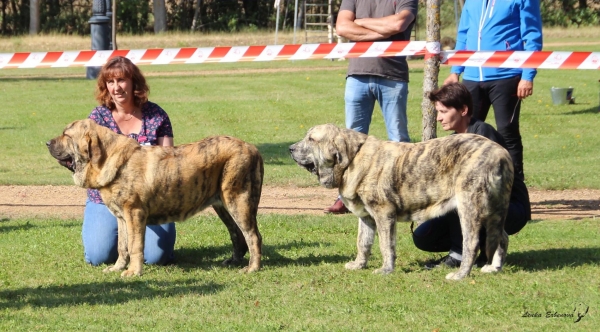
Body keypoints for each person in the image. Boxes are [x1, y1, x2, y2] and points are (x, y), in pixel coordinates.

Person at [413, 82, 531, 268]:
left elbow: (484, 185)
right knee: (423, 237)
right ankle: (482, 249)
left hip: (510, 208)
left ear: (463, 110)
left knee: (458, 196)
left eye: (443, 112)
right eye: (438, 112)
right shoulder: (452, 140)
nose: (438, 118)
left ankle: (460, 254)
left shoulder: (483, 133)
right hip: (475, 205)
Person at [325, 0, 419, 214]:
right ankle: (346, 196)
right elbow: (342, 27)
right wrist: (382, 32)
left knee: (399, 141)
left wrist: (361, 22)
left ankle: (403, 196)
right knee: (350, 143)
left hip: (393, 77)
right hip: (356, 76)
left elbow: (397, 25)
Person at [82, 56, 176, 266]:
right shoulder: (98, 118)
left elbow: (169, 163)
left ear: (134, 82)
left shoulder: (156, 115)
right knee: (98, 257)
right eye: (110, 82)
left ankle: (132, 240)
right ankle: (117, 239)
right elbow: (92, 164)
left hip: (150, 199)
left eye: (122, 80)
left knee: (156, 257)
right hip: (106, 200)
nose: (116, 87)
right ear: (105, 86)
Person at [443, 0, 543, 184]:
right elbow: (463, 34)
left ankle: (515, 187)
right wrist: (455, 71)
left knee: (507, 131)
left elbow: (532, 35)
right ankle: (464, 184)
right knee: (466, 131)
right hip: (472, 76)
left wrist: (528, 75)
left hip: (507, 75)